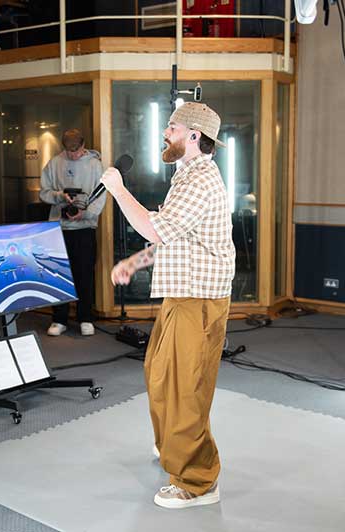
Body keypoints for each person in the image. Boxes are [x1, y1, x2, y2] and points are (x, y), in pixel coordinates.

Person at [99, 102, 235, 509]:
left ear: (194, 135)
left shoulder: (200, 180)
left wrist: (118, 189)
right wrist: (134, 262)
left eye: (172, 127)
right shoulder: (186, 176)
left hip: (199, 299)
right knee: (160, 374)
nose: (165, 132)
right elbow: (174, 237)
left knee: (184, 388)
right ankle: (173, 447)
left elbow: (155, 228)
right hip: (184, 294)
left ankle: (198, 480)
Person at [39, 129, 106, 337]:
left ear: (83, 145)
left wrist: (85, 213)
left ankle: (85, 318)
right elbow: (43, 193)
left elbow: (101, 195)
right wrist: (60, 196)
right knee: (58, 274)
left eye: (76, 151)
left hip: (85, 228)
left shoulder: (95, 165)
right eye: (69, 151)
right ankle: (59, 319)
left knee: (84, 274)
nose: (73, 155)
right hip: (58, 228)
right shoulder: (54, 163)